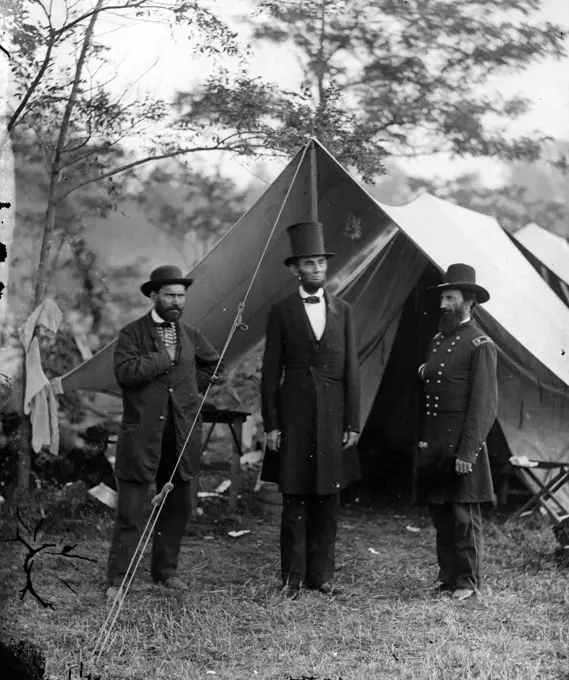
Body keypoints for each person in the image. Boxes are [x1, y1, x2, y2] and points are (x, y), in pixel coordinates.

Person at [105, 265, 221, 600]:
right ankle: (118, 579)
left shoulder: (191, 334)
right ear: (154, 296)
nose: (176, 301)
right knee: (130, 509)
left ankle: (165, 571)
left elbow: (215, 365)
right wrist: (163, 358)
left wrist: (190, 387)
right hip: (141, 436)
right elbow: (125, 373)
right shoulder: (131, 334)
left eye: (180, 296)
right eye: (169, 295)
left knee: (177, 506)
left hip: (181, 434)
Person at [261, 221, 361, 600]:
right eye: (310, 263)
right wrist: (271, 423)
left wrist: (352, 421)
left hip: (334, 417)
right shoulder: (281, 311)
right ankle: (292, 579)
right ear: (295, 269)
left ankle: (322, 576)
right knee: (295, 497)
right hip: (294, 415)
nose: (318, 269)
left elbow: (353, 369)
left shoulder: (345, 310)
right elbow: (270, 372)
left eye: (321, 262)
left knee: (328, 498)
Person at [418, 263, 498, 601]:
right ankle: (448, 576)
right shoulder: (438, 340)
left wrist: (468, 451)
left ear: (469, 302)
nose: (443, 305)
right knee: (441, 512)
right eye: (442, 298)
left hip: (462, 443)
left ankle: (467, 582)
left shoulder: (481, 344)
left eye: (450, 298)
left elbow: (484, 406)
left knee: (464, 515)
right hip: (436, 442)